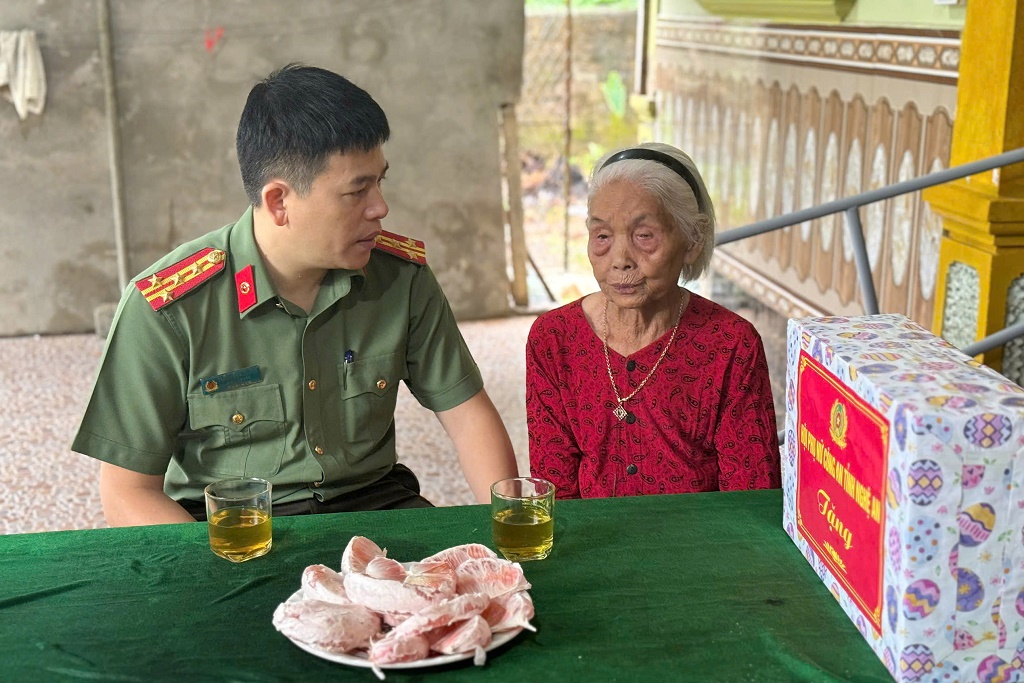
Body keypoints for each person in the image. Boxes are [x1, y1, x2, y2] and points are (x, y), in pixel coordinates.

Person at [72, 64, 519, 526]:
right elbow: (127, 492)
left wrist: (510, 526)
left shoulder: (399, 278)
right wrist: (217, 575)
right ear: (279, 202)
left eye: (379, 181)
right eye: (356, 190)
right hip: (236, 528)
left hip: (375, 507)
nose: (380, 207)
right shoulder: (170, 307)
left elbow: (467, 413)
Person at [526, 142, 780, 499]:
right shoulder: (554, 338)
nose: (620, 259)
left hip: (702, 546)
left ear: (693, 239)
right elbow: (555, 491)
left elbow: (752, 497)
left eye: (644, 236)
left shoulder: (731, 343)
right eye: (602, 236)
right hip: (593, 545)